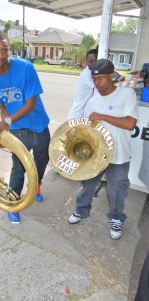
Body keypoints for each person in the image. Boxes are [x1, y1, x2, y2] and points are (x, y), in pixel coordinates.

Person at [0, 29, 50, 224]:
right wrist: (6, 133)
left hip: (40, 126)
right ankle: (13, 203)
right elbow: (3, 107)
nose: (0, 55)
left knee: (41, 163)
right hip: (18, 129)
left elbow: (30, 104)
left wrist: (6, 122)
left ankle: (36, 185)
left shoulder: (26, 68)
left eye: (4, 49)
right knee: (18, 168)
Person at [68, 58, 139, 240]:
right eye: (94, 79)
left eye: (101, 78)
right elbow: (87, 130)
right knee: (88, 185)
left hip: (119, 154)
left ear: (112, 75)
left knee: (117, 190)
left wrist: (103, 116)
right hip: (96, 154)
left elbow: (130, 124)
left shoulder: (127, 94)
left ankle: (116, 218)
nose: (97, 83)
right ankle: (81, 210)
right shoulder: (92, 101)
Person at [68, 48, 98, 120]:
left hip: (83, 113)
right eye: (91, 61)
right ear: (86, 62)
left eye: (95, 61)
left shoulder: (92, 72)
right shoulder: (86, 74)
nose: (93, 63)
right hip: (77, 114)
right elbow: (98, 85)